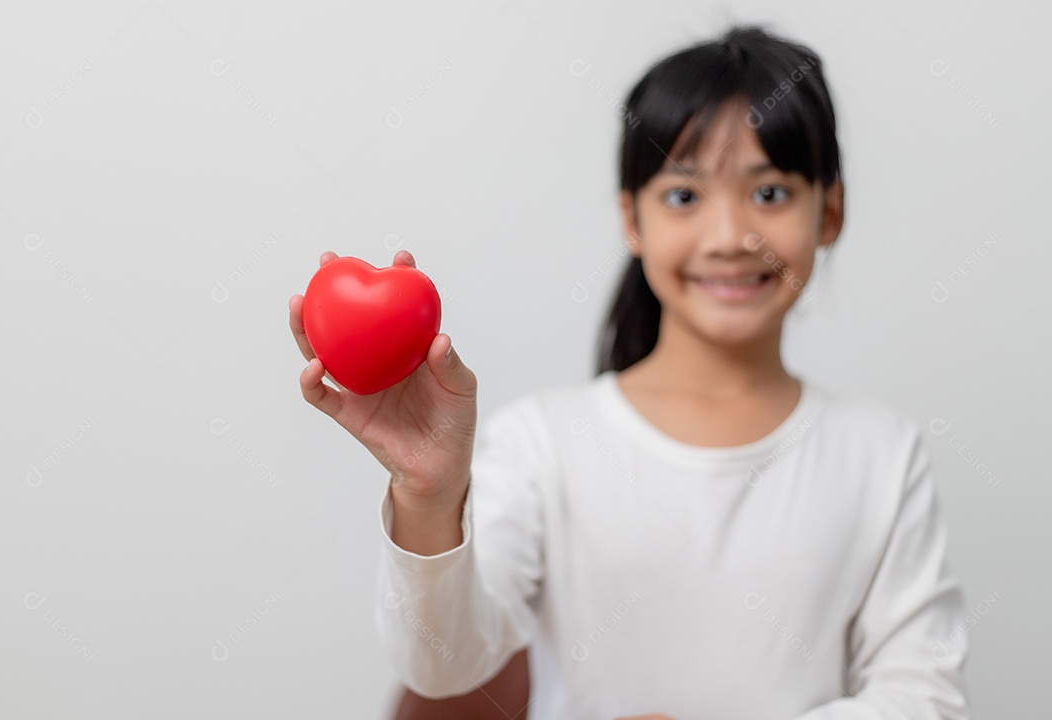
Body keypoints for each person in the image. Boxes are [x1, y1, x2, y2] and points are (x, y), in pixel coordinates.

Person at [288, 23, 970, 720]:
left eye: (769, 194)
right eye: (684, 196)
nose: (730, 237)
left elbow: (926, 697)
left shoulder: (882, 455)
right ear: (632, 220)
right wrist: (430, 497)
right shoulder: (543, 445)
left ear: (830, 213)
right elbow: (445, 664)